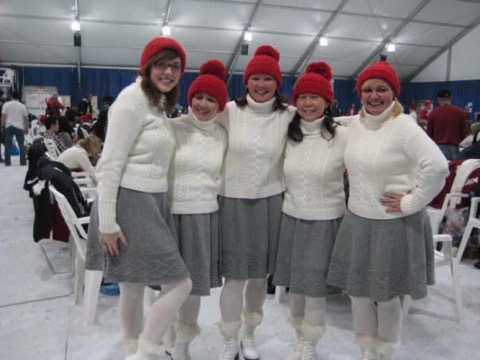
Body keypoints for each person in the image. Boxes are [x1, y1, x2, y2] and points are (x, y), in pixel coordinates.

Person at [326, 61, 449, 360]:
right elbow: (317, 119)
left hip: (393, 223)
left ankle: (387, 352)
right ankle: (367, 350)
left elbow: (438, 167)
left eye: (382, 89)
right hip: (357, 220)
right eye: (367, 90)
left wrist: (411, 201)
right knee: (357, 293)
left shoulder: (404, 126)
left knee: (387, 294)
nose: (374, 96)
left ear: (394, 92)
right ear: (360, 94)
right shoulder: (355, 123)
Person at [85, 36, 192, 360]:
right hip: (131, 202)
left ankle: (132, 347)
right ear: (147, 67)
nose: (168, 72)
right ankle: (147, 352)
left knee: (132, 285)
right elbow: (110, 163)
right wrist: (107, 222)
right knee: (180, 283)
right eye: (161, 64)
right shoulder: (131, 100)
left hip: (151, 202)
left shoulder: (156, 105)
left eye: (175, 67)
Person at [217, 44, 296, 360]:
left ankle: (249, 333)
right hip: (232, 203)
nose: (261, 85)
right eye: (255, 78)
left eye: (268, 79)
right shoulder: (228, 111)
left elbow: (332, 126)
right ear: (246, 81)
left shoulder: (289, 116)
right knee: (234, 278)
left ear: (278, 83)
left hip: (271, 204)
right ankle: (228, 338)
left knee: (260, 277)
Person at [272, 62, 347, 360]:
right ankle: (299, 336)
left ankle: (310, 342)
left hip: (325, 221)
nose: (307, 103)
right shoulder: (288, 133)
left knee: (314, 289)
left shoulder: (342, 135)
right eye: (302, 96)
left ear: (327, 101)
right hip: (291, 218)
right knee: (296, 287)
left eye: (315, 97)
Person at [167, 59, 228, 359]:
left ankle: (183, 343)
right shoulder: (173, 127)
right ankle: (162, 332)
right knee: (165, 282)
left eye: (211, 99)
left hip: (204, 216)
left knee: (191, 285)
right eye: (198, 97)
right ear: (189, 99)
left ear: (221, 105)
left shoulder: (222, 135)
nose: (203, 104)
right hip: (169, 214)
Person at [427, 89, 470, 160]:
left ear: (438, 99)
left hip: (438, 148)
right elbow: (464, 132)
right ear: (451, 98)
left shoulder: (433, 113)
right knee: (453, 169)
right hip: (454, 147)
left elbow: (429, 133)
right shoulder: (460, 113)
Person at [1, 90, 28, 166]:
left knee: (7, 145)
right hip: (19, 127)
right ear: (19, 97)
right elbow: (26, 118)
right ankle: (23, 162)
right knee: (21, 145)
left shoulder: (6, 105)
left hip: (9, 126)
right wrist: (26, 128)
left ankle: (7, 162)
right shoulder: (22, 106)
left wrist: (2, 126)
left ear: (11, 96)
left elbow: (3, 116)